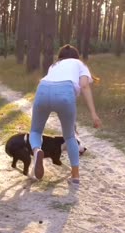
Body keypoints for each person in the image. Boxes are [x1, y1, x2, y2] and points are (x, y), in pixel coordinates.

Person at [29, 44, 102, 185]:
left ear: (60, 56)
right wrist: (93, 114)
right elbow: (84, 86)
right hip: (65, 92)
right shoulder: (79, 64)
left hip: (42, 89)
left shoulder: (54, 66)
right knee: (69, 136)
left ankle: (37, 150)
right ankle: (75, 176)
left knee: (36, 131)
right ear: (76, 56)